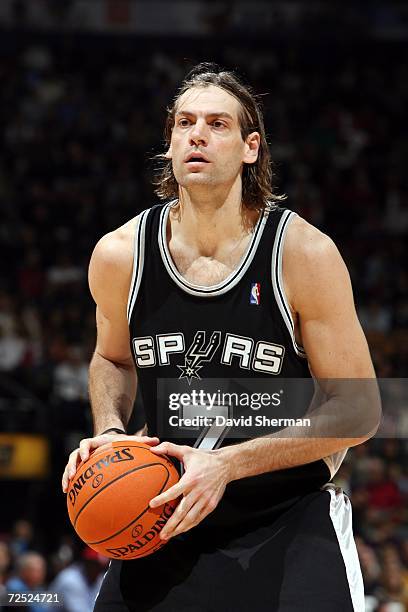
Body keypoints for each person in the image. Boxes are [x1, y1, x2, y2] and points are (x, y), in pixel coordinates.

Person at [62, 63, 380, 611]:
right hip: (162, 518)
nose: (197, 135)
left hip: (286, 517)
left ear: (250, 147)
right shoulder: (120, 255)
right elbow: (112, 360)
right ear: (169, 144)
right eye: (184, 123)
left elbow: (359, 410)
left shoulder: (303, 254)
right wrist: (111, 432)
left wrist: (228, 465)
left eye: (217, 124)